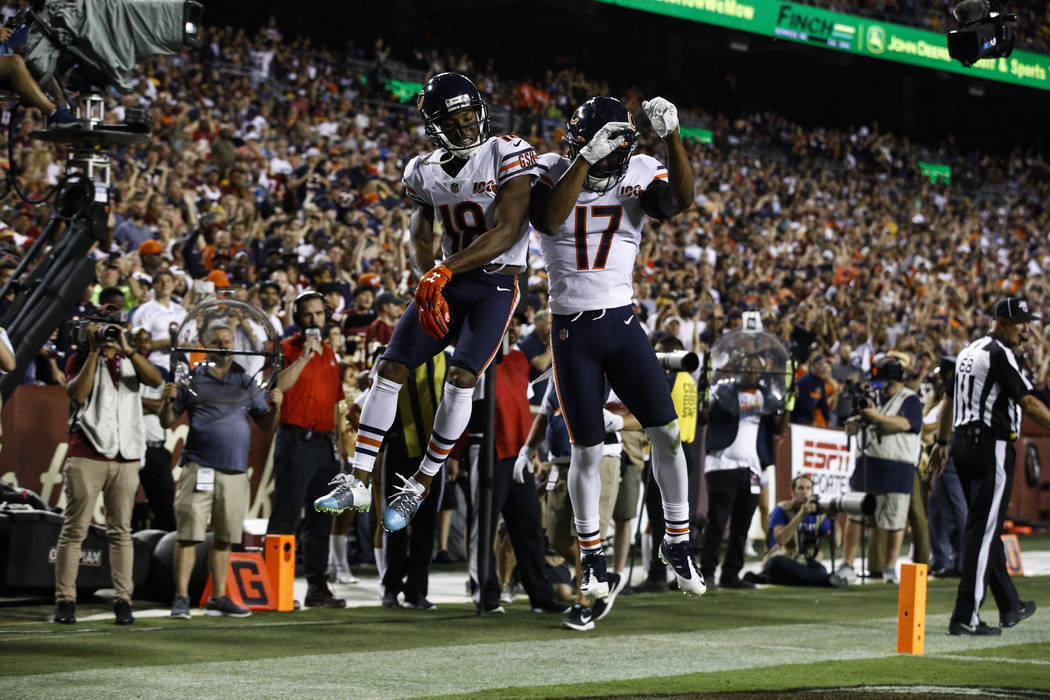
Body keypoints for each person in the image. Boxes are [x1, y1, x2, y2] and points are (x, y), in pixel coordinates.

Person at [313, 72, 539, 533]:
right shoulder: (422, 169)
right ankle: (357, 478)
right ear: (434, 127)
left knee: (460, 378)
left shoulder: (507, 152)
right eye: (450, 121)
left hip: (493, 284)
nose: (463, 126)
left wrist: (444, 270)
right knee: (390, 367)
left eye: (467, 115)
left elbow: (508, 230)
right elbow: (418, 233)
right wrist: (426, 277)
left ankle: (419, 484)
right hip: (447, 282)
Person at [527, 95, 704, 603]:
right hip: (571, 331)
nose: (608, 163)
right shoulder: (551, 170)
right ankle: (593, 558)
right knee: (587, 450)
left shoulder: (641, 169)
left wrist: (672, 137)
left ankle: (678, 540)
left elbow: (678, 202)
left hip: (623, 323)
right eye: (597, 152)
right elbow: (550, 221)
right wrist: (585, 160)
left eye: (613, 153)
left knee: (667, 434)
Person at [929, 297, 1049, 636]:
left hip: (962, 445)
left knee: (985, 529)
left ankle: (1009, 604)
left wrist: (941, 442)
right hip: (991, 446)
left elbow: (949, 397)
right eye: (1023, 322)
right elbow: (1028, 403)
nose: (1027, 329)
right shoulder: (999, 354)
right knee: (981, 532)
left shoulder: (969, 350)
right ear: (1003, 321)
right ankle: (965, 615)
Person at [159, 322, 282, 619]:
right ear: (207, 344)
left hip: (235, 471)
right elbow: (167, 421)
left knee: (226, 537)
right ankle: (182, 598)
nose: (225, 345)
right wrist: (166, 400)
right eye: (218, 341)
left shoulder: (245, 380)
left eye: (228, 340)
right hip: (198, 466)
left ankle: (219, 597)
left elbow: (265, 423)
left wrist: (276, 407)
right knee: (189, 535)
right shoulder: (193, 378)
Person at [53, 306, 163, 624]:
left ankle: (123, 601)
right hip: (87, 451)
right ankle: (65, 601)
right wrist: (95, 352)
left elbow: (155, 379)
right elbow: (79, 394)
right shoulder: (79, 358)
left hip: (125, 454)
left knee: (121, 532)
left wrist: (128, 349)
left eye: (115, 326)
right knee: (75, 529)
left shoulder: (130, 360)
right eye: (105, 326)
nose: (110, 332)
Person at [268, 291, 346, 608]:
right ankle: (275, 587)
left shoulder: (330, 353)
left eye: (318, 314)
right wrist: (303, 358)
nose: (314, 320)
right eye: (307, 315)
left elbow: (335, 403)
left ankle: (317, 587)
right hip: (295, 439)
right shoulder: (285, 349)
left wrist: (341, 449)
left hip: (324, 445)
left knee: (322, 519)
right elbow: (278, 387)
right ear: (296, 319)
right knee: (286, 515)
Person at [699, 352, 790, 589]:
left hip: (753, 468)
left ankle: (731, 574)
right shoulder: (722, 391)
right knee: (717, 521)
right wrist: (703, 394)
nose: (750, 372)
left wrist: (789, 403)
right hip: (722, 464)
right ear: (736, 370)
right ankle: (706, 573)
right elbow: (703, 417)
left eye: (754, 369)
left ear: (760, 374)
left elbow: (779, 428)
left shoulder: (767, 396)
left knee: (743, 523)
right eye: (745, 368)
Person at [834, 358, 923, 586]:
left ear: (900, 382)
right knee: (855, 515)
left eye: (889, 382)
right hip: (868, 462)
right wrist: (856, 421)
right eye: (883, 381)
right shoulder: (873, 397)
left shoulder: (911, 399)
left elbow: (904, 424)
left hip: (898, 465)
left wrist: (874, 417)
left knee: (895, 519)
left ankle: (890, 568)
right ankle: (847, 564)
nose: (885, 386)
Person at [751, 474, 846, 588]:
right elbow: (780, 540)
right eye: (800, 488)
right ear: (793, 492)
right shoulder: (782, 509)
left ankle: (778, 579)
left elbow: (836, 543)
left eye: (808, 488)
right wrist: (801, 515)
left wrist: (834, 519)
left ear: (812, 492)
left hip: (806, 562)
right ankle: (821, 580)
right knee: (774, 563)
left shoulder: (818, 514)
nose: (804, 492)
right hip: (784, 559)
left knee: (821, 570)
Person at [132, 327, 176, 532]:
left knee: (165, 509)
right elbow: (123, 408)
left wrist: (136, 401)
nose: (143, 344)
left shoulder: (162, 372)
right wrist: (151, 405)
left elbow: (164, 407)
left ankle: (165, 554)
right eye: (138, 340)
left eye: (147, 340)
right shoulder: (126, 369)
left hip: (155, 448)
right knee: (125, 507)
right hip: (128, 446)